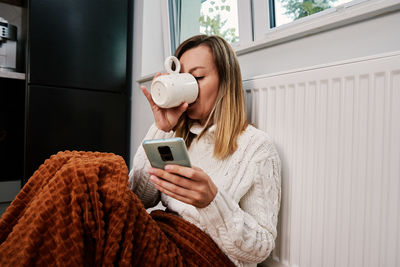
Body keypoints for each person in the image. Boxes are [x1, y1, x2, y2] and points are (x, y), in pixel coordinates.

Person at [130, 34, 281, 267]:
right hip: (164, 238)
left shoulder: (256, 147)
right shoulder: (178, 136)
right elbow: (136, 199)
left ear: (225, 81)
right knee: (82, 181)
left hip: (203, 256)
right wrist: (162, 129)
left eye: (198, 77)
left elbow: (261, 248)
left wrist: (212, 202)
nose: (189, 87)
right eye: (183, 79)